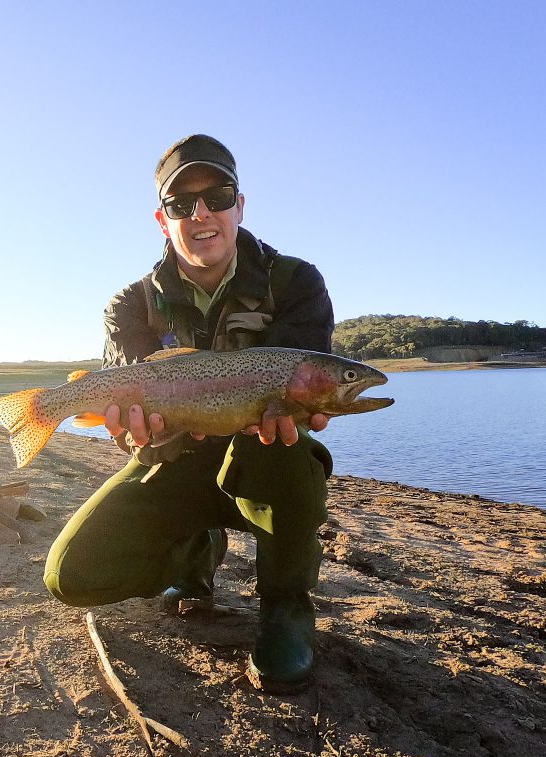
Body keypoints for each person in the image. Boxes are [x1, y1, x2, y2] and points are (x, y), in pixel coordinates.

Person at [43, 134, 336, 693]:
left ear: (239, 206)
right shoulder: (130, 304)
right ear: (163, 219)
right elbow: (128, 390)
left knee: (286, 451)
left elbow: (302, 385)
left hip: (267, 463)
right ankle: (194, 552)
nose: (201, 214)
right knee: (71, 576)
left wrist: (305, 408)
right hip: (174, 458)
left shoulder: (295, 282)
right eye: (182, 204)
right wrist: (130, 429)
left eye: (217, 196)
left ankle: (284, 608)